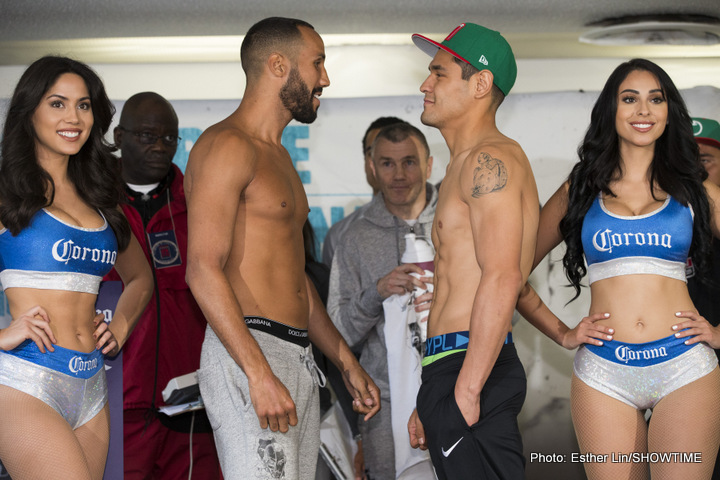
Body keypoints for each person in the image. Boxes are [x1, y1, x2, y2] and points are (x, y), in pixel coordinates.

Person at [184, 17, 380, 480]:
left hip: (296, 357)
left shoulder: (280, 156)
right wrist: (256, 372)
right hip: (250, 349)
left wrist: (344, 360)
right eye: (317, 63)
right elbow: (201, 270)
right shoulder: (226, 145)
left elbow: (295, 282)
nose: (325, 78)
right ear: (277, 65)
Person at [516, 59, 720, 479]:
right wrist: (562, 332)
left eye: (655, 99)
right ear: (611, 109)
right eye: (630, 99)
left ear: (669, 111)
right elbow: (511, 273)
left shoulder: (696, 191)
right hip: (604, 371)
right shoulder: (580, 188)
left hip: (684, 365)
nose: (643, 110)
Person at [0, 56, 153, 479]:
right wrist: (3, 334)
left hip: (91, 386)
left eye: (83, 105)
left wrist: (120, 327)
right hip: (26, 379)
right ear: (28, 112)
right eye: (57, 103)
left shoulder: (101, 198)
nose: (73, 117)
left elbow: (141, 278)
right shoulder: (6, 193)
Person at [406, 23, 539, 479]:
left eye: (439, 74)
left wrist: (465, 388)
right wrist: (434, 393)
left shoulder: (492, 160)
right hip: (450, 366)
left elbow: (503, 277)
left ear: (480, 83)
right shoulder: (461, 167)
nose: (425, 85)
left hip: (471, 367)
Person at [105, 92, 221, 479]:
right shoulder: (91, 206)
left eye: (170, 138)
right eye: (147, 135)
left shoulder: (199, 206)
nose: (160, 147)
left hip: (191, 403)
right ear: (119, 137)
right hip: (117, 399)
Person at [328, 122, 437, 479]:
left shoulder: (460, 219)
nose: (400, 174)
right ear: (372, 168)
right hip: (384, 406)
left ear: (429, 165)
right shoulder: (353, 236)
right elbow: (338, 333)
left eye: (409, 162)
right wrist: (376, 292)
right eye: (387, 164)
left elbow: (506, 312)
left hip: (457, 392)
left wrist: (452, 298)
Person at [322, 116, 406, 267]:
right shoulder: (340, 235)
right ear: (367, 162)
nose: (384, 161)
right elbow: (336, 291)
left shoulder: (439, 224)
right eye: (373, 152)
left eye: (395, 154)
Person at [687, 117, 720, 355]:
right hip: (675, 358)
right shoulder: (662, 217)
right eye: (685, 160)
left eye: (705, 160)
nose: (695, 169)